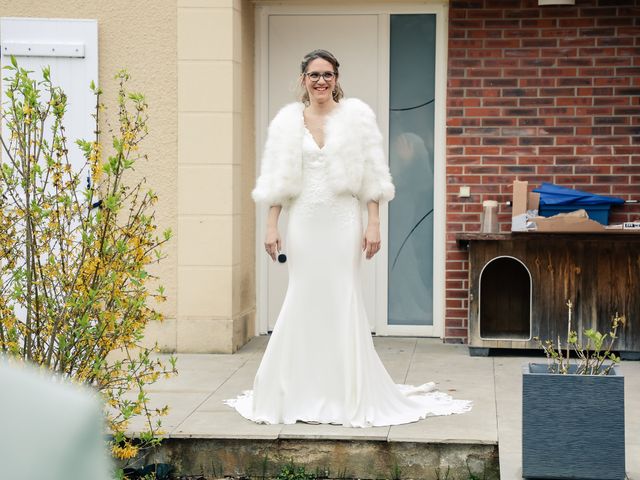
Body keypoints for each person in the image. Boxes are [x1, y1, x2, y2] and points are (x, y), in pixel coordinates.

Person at [225, 49, 471, 427]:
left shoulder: (356, 119)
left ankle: (346, 390)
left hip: (343, 222)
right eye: (313, 74)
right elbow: (277, 180)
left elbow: (372, 176)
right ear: (303, 79)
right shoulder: (288, 122)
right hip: (304, 221)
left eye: (327, 74)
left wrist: (373, 223)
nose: (320, 81)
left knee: (342, 297)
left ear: (337, 78)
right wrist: (271, 225)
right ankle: (296, 387)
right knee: (303, 296)